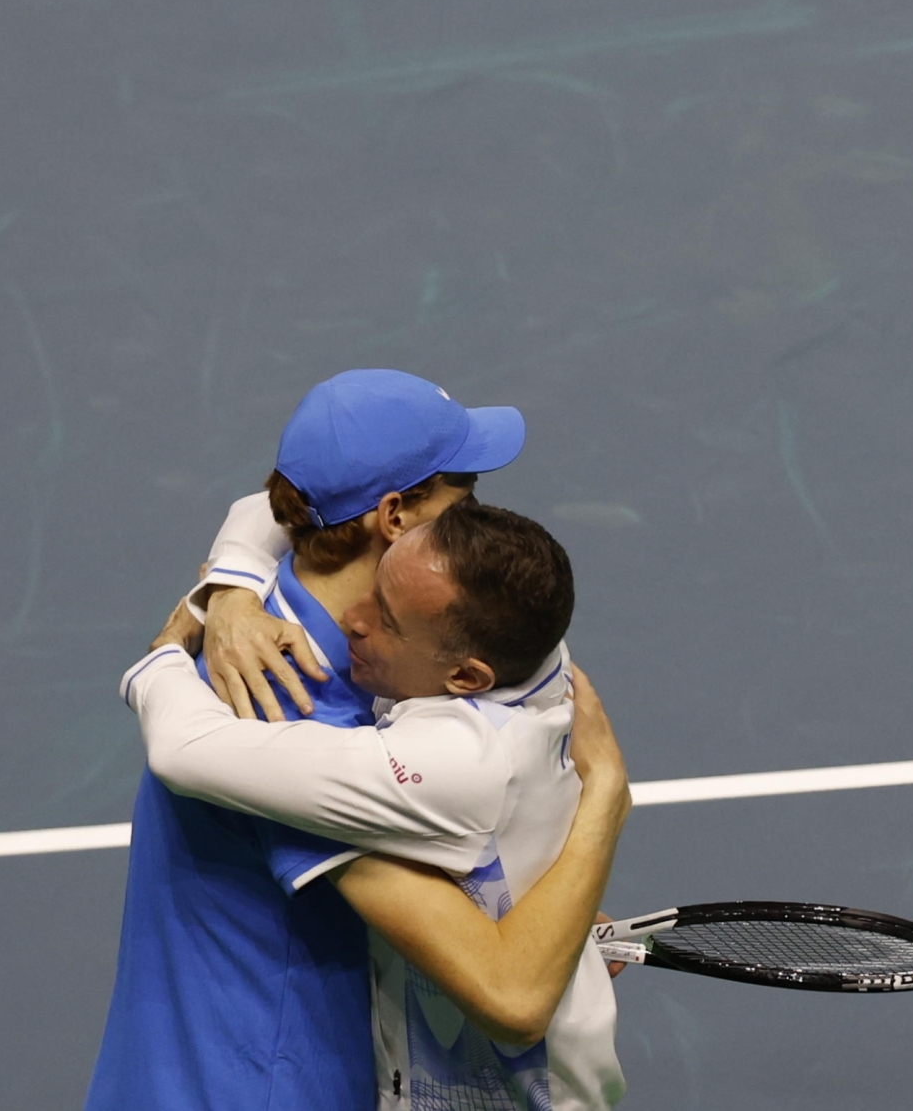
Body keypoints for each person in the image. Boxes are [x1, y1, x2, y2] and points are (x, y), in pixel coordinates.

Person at [84, 369, 624, 1111]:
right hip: (265, 1085)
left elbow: (260, 509)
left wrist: (229, 585)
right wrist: (606, 799)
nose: (477, 513)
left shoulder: (283, 592)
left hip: (167, 1072)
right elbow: (510, 987)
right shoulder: (296, 711)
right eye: (459, 494)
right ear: (394, 515)